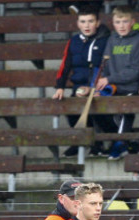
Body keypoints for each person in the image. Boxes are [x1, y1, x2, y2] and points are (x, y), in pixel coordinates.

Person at [52, 6, 110, 157]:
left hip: (99, 87)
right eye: (83, 21)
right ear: (78, 23)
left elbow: (108, 66)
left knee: (97, 110)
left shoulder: (106, 40)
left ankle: (101, 144)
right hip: (79, 88)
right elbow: (65, 65)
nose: (87, 25)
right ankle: (80, 142)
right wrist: (60, 87)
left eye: (90, 21)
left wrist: (96, 87)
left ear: (97, 23)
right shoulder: (73, 41)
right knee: (70, 107)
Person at [94, 5, 139, 160]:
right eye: (118, 22)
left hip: (133, 86)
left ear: (132, 22)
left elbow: (134, 71)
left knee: (123, 111)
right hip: (115, 86)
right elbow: (105, 66)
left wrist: (108, 79)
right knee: (97, 109)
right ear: (113, 22)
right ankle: (133, 143)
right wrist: (101, 85)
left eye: (125, 22)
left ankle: (121, 143)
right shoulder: (112, 39)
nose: (121, 26)